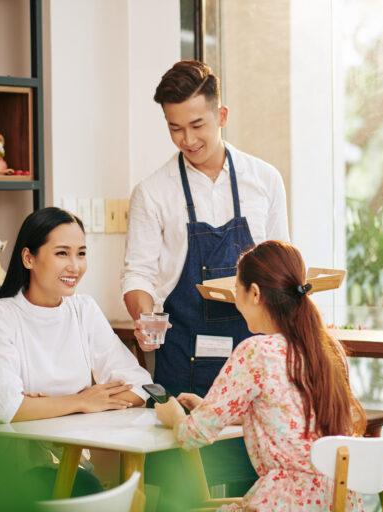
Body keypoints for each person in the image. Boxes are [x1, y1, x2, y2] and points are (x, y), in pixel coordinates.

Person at [155, 241, 367, 511]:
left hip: (284, 503)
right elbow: (295, 415)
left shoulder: (256, 352)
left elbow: (192, 435)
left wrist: (173, 415)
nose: (236, 302)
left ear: (254, 293)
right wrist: (225, 412)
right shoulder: (330, 349)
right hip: (339, 501)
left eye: (236, 290)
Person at [121, 60, 289, 397]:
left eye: (197, 125)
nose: (187, 139)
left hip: (257, 359)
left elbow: (280, 266)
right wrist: (143, 319)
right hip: (183, 359)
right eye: (175, 128)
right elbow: (138, 274)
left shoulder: (265, 180)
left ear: (222, 116)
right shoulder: (152, 192)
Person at [0, 207, 153, 498]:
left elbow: (140, 385)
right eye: (62, 253)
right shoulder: (0, 315)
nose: (75, 266)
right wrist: (82, 401)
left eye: (81, 253)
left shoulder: (84, 309)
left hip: (71, 464)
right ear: (29, 258)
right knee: (94, 492)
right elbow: (4, 408)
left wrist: (59, 405)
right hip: (13, 468)